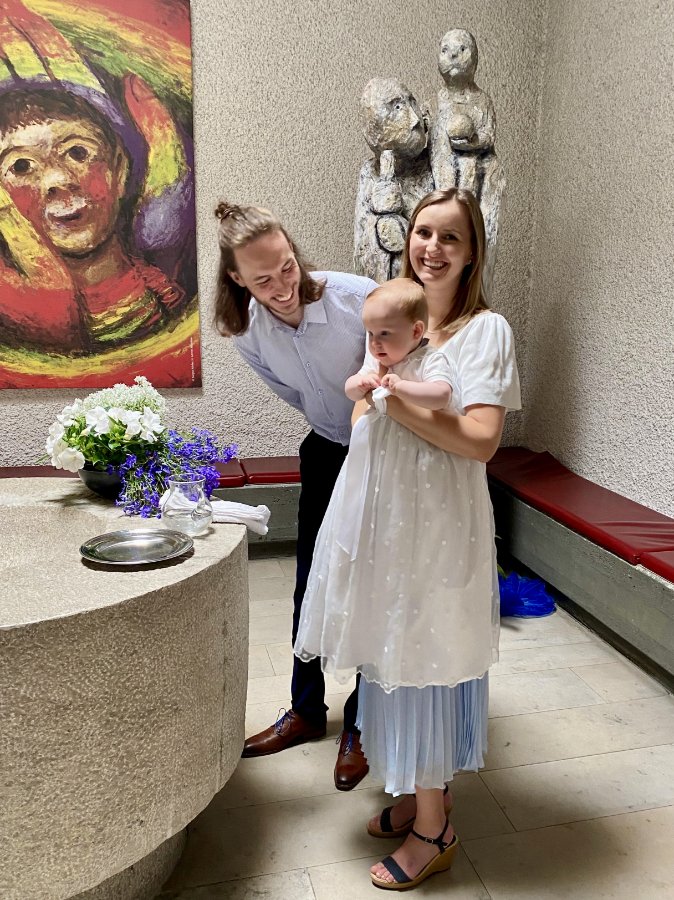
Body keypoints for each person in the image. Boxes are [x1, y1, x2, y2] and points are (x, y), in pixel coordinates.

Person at [294, 187, 521, 890]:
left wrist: (390, 404)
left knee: (426, 652)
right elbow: (359, 406)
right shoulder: (391, 317)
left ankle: (434, 830)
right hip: (388, 518)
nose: (432, 247)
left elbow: (479, 440)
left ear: (472, 252)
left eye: (450, 237)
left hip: (441, 523)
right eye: (424, 232)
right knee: (390, 649)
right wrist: (373, 405)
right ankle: (423, 795)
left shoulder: (485, 331)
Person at [213, 200, 379, 790]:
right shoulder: (247, 331)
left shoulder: (357, 298)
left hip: (381, 453)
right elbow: (293, 395)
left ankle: (363, 721)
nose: (283, 286)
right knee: (310, 581)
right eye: (263, 279)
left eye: (287, 266)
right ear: (237, 279)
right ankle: (306, 709)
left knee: (372, 586)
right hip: (327, 450)